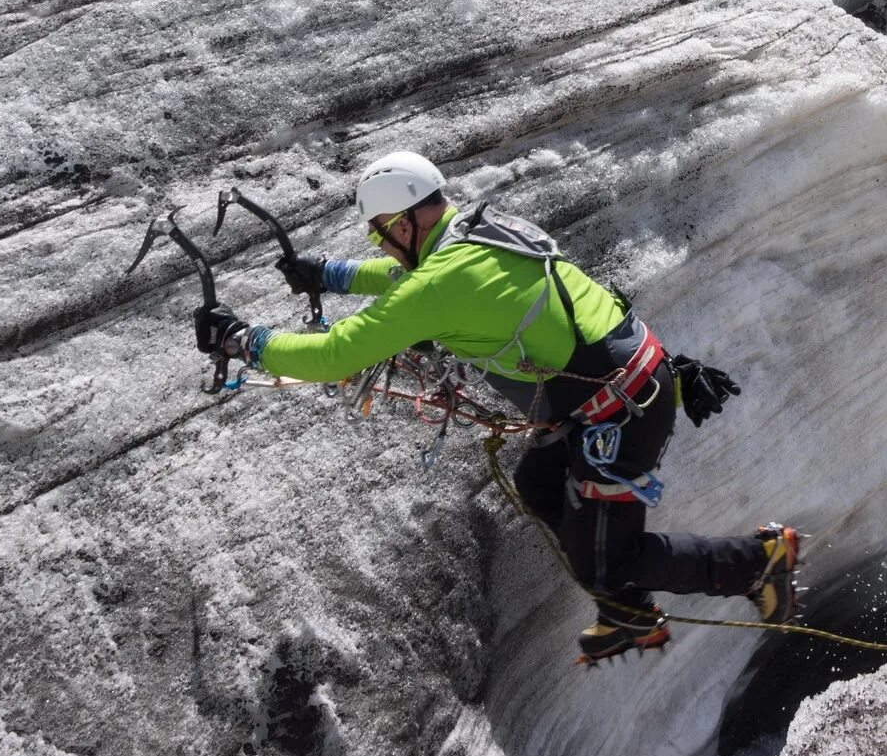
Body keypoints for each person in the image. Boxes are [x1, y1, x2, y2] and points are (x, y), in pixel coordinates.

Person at [197, 151, 800, 663]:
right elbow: (415, 280)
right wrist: (331, 274)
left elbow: (335, 354)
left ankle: (755, 563)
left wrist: (242, 340)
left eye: (380, 231)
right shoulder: (475, 232)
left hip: (619, 411)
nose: (381, 243)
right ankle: (626, 605)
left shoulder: (440, 282)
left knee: (610, 562)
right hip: (626, 382)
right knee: (538, 482)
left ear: (403, 222)